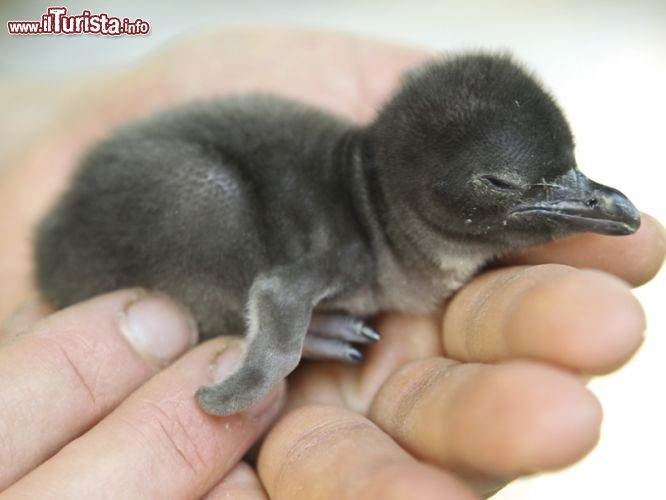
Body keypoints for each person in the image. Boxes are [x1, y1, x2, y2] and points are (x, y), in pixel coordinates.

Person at [0, 28, 663, 499]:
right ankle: (216, 313)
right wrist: (271, 355)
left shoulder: (383, 185)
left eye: (567, 173)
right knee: (202, 194)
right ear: (424, 193)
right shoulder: (363, 244)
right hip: (130, 238)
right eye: (508, 187)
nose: (592, 203)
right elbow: (284, 288)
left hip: (145, 189)